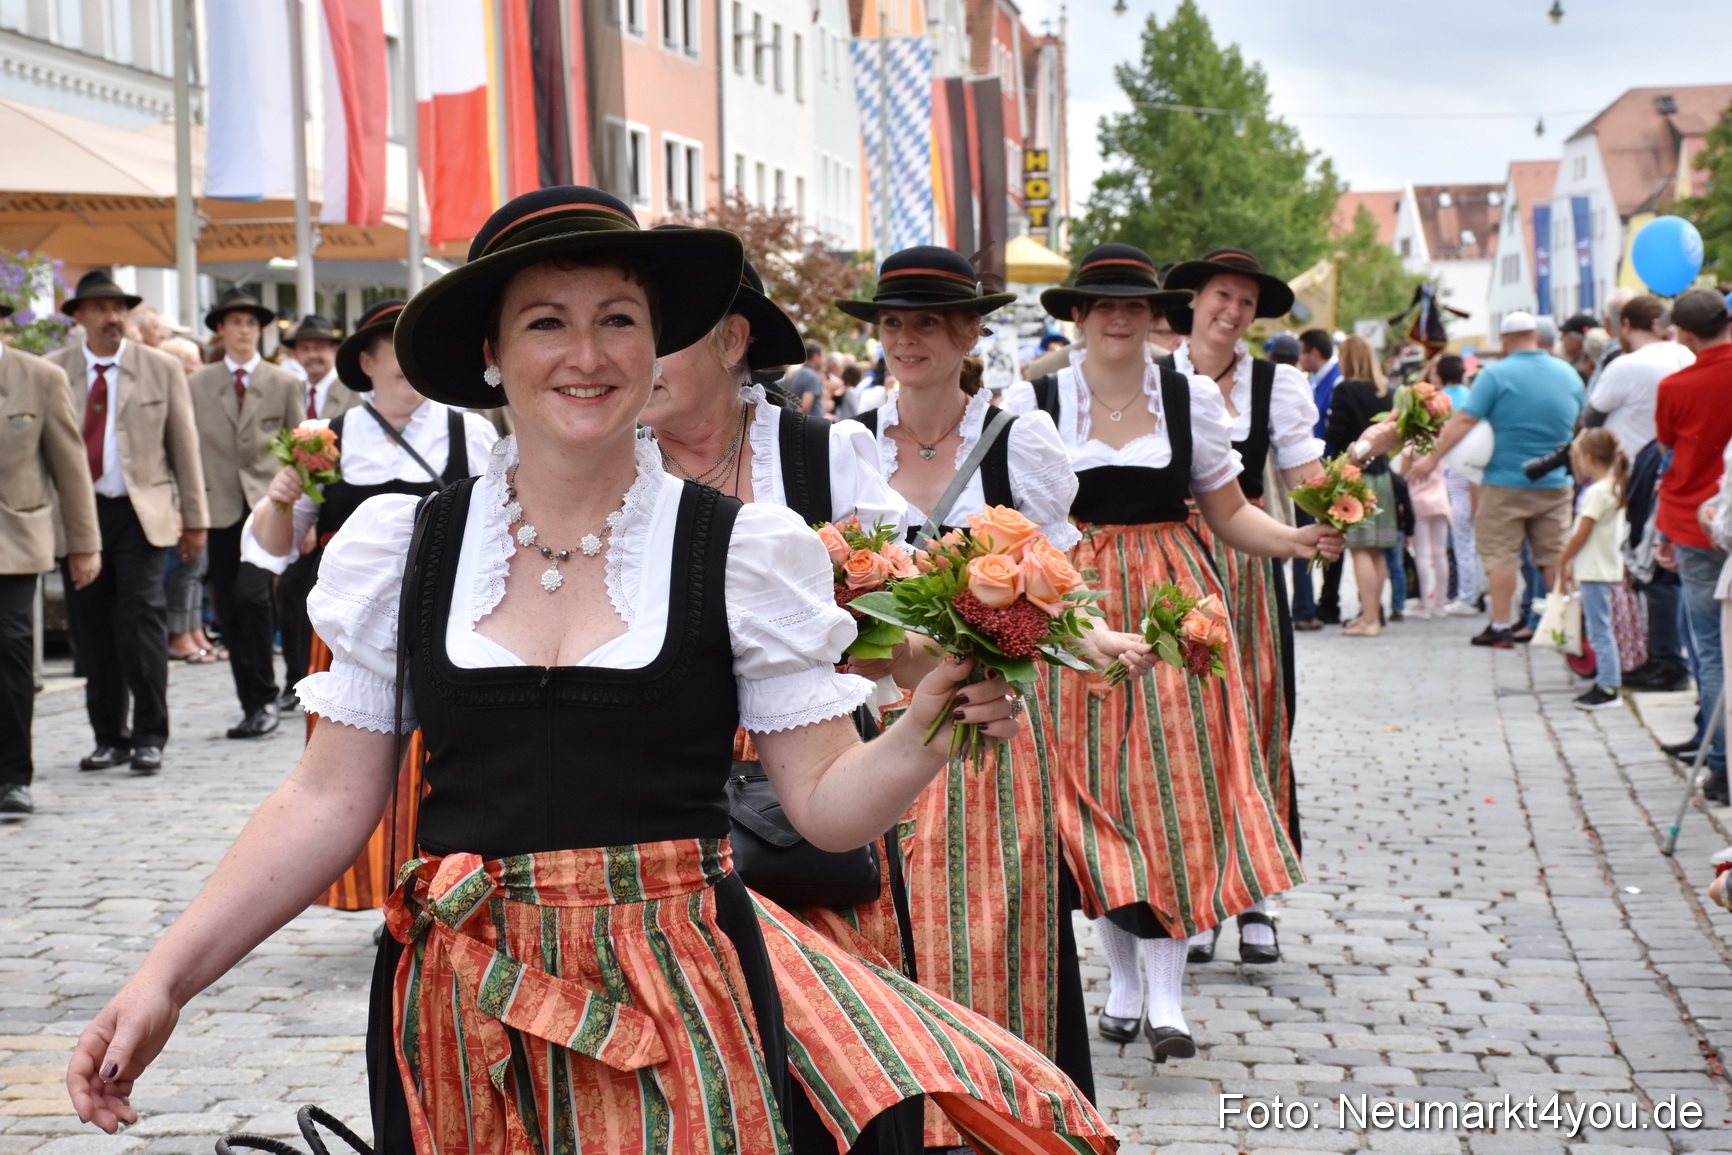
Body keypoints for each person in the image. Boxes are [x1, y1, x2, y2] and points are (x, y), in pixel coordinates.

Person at [67, 187, 1115, 1155]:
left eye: (618, 317)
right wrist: (169, 977)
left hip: (681, 1002)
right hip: (459, 1010)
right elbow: (328, 799)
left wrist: (931, 722)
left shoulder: (742, 551)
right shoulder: (406, 550)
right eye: (546, 321)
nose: (587, 353)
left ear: (659, 345)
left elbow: (829, 810)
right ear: (490, 352)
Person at [1008, 242, 1341, 1064]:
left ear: (1155, 314)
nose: (1119, 317)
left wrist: (1294, 538)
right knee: (1087, 793)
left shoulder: (1188, 396)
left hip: (1172, 601)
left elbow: (1228, 512)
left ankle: (1164, 993)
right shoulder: (1038, 400)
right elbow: (1012, 521)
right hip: (1075, 603)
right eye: (1102, 303)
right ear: (1078, 315)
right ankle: (1122, 980)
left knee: (1172, 788)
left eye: (1134, 303)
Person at [841, 246, 1150, 1128]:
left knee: (993, 924)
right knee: (886, 921)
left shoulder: (1023, 439)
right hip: (873, 720)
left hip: (988, 727)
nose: (908, 339)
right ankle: (904, 1116)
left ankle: (1001, 1116)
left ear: (971, 332)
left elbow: (1056, 589)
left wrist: (1095, 639)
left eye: (928, 321)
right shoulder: (851, 436)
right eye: (894, 322)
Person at [244, 299, 498, 910]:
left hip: (447, 608)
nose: (411, 367)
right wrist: (281, 499)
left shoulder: (472, 431)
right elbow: (273, 546)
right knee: (352, 762)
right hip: (351, 621)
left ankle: (443, 885)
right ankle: (372, 886)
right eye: (396, 351)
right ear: (366, 360)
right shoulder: (325, 439)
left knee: (445, 756)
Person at [1158, 248, 1324, 957]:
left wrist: (1344, 500)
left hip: (1246, 562)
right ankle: (1197, 897)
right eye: (1222, 296)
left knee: (1256, 721)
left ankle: (1256, 896)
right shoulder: (1154, 375)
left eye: (1247, 304)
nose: (1232, 311)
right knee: (1180, 731)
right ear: (1193, 300)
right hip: (1167, 561)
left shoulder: (1275, 384)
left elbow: (1307, 475)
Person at [47, 270, 207, 776]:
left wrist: (196, 518)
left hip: (142, 516)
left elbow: (184, 447)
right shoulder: (55, 372)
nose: (112, 317)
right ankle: (109, 737)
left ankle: (149, 735)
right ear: (78, 317)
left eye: (119, 307)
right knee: (91, 629)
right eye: (99, 308)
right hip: (79, 516)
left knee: (140, 621)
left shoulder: (158, 368)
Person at [1410, 311, 1584, 648]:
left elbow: (1464, 421)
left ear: (1505, 339)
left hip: (1504, 481)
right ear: (1535, 335)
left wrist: (1432, 458)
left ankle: (1501, 625)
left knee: (1501, 555)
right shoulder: (1569, 375)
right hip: (1555, 483)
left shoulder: (1496, 375)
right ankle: (1561, 625)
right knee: (1554, 556)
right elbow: (1580, 422)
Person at [187, 288, 307, 739]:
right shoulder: (198, 384)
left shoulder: (283, 383)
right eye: (234, 322)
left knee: (253, 596)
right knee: (230, 611)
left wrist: (303, 513)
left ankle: (266, 694)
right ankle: (252, 702)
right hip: (217, 506)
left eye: (251, 323)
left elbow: (300, 449)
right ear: (220, 329)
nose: (243, 331)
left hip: (267, 507)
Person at [0, 305, 101, 814]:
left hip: (13, 540)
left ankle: (12, 776)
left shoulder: (39, 377)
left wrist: (84, 543)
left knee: (11, 650)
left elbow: (69, 466)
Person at [1655, 289, 1732, 803]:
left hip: (1696, 522)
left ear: (1683, 333)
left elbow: (1668, 451)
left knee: (1711, 649)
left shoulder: (1677, 386)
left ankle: (1723, 764)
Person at [274, 314, 360, 709]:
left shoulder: (355, 394)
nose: (312, 354)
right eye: (304, 347)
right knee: (292, 593)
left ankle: (329, 678)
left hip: (340, 518)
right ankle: (297, 677)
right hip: (297, 508)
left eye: (319, 347)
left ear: (334, 351)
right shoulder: (289, 389)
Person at [1327, 336, 1401, 635]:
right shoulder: (1386, 391)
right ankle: (1373, 615)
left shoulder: (1345, 389)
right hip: (1382, 474)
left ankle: (1369, 619)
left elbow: (1338, 435)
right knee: (1377, 550)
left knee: (1359, 549)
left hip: (1356, 473)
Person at [1558, 429, 1629, 711]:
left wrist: (1564, 559)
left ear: (1587, 458)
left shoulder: (1597, 492)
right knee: (1600, 628)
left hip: (1594, 569)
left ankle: (1609, 686)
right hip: (1602, 566)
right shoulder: (1612, 486)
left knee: (1600, 630)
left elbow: (1581, 533)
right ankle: (1606, 681)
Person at [1584, 295, 1693, 456]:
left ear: (1626, 325)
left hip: (1631, 466)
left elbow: (1590, 418)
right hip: (1676, 460)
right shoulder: (1688, 355)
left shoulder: (1624, 366)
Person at [1295, 328, 1343, 629]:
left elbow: (1334, 431)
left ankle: (1329, 601)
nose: (1301, 359)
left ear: (1314, 352)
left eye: (1303, 352)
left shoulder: (1336, 381)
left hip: (1331, 469)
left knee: (1332, 537)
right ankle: (1325, 602)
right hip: (1321, 469)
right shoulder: (1319, 380)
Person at [1432, 355, 1483, 617]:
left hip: (1455, 473)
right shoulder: (1472, 396)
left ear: (1439, 376)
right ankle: (1476, 590)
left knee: (1462, 538)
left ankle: (1467, 596)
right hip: (1478, 472)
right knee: (1475, 539)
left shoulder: (1440, 402)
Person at [1403, 437, 1452, 619]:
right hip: (1441, 502)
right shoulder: (1441, 442)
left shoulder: (1412, 443)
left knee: (1422, 554)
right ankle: (1440, 603)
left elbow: (1403, 474)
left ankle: (1425, 603)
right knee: (1440, 553)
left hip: (1418, 502)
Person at [788, 337, 826, 415]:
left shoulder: (797, 373)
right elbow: (804, 407)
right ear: (816, 357)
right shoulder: (812, 376)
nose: (824, 360)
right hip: (810, 425)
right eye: (823, 356)